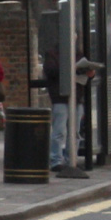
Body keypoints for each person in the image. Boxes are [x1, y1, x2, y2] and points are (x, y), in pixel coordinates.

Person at [42, 46, 92, 179]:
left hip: (77, 97)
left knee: (75, 132)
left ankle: (71, 160)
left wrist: (88, 72)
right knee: (59, 131)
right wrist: (72, 68)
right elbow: (51, 71)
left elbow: (84, 71)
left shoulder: (78, 54)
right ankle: (56, 161)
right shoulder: (52, 53)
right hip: (60, 97)